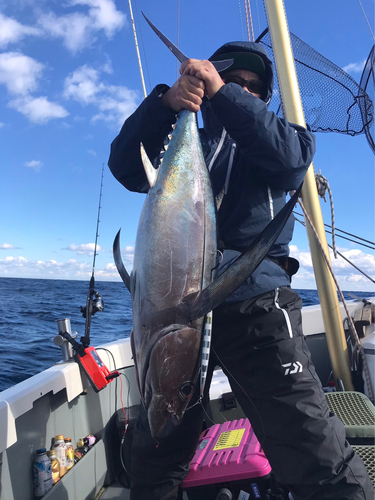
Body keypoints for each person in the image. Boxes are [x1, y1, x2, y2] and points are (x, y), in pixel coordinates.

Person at [108, 42, 373, 500]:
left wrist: (223, 94)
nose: (245, 90)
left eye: (254, 88)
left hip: (259, 309)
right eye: (234, 83)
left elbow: (292, 161)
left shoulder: (288, 138)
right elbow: (124, 165)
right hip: (180, 311)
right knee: (159, 443)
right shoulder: (192, 141)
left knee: (310, 445)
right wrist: (167, 104)